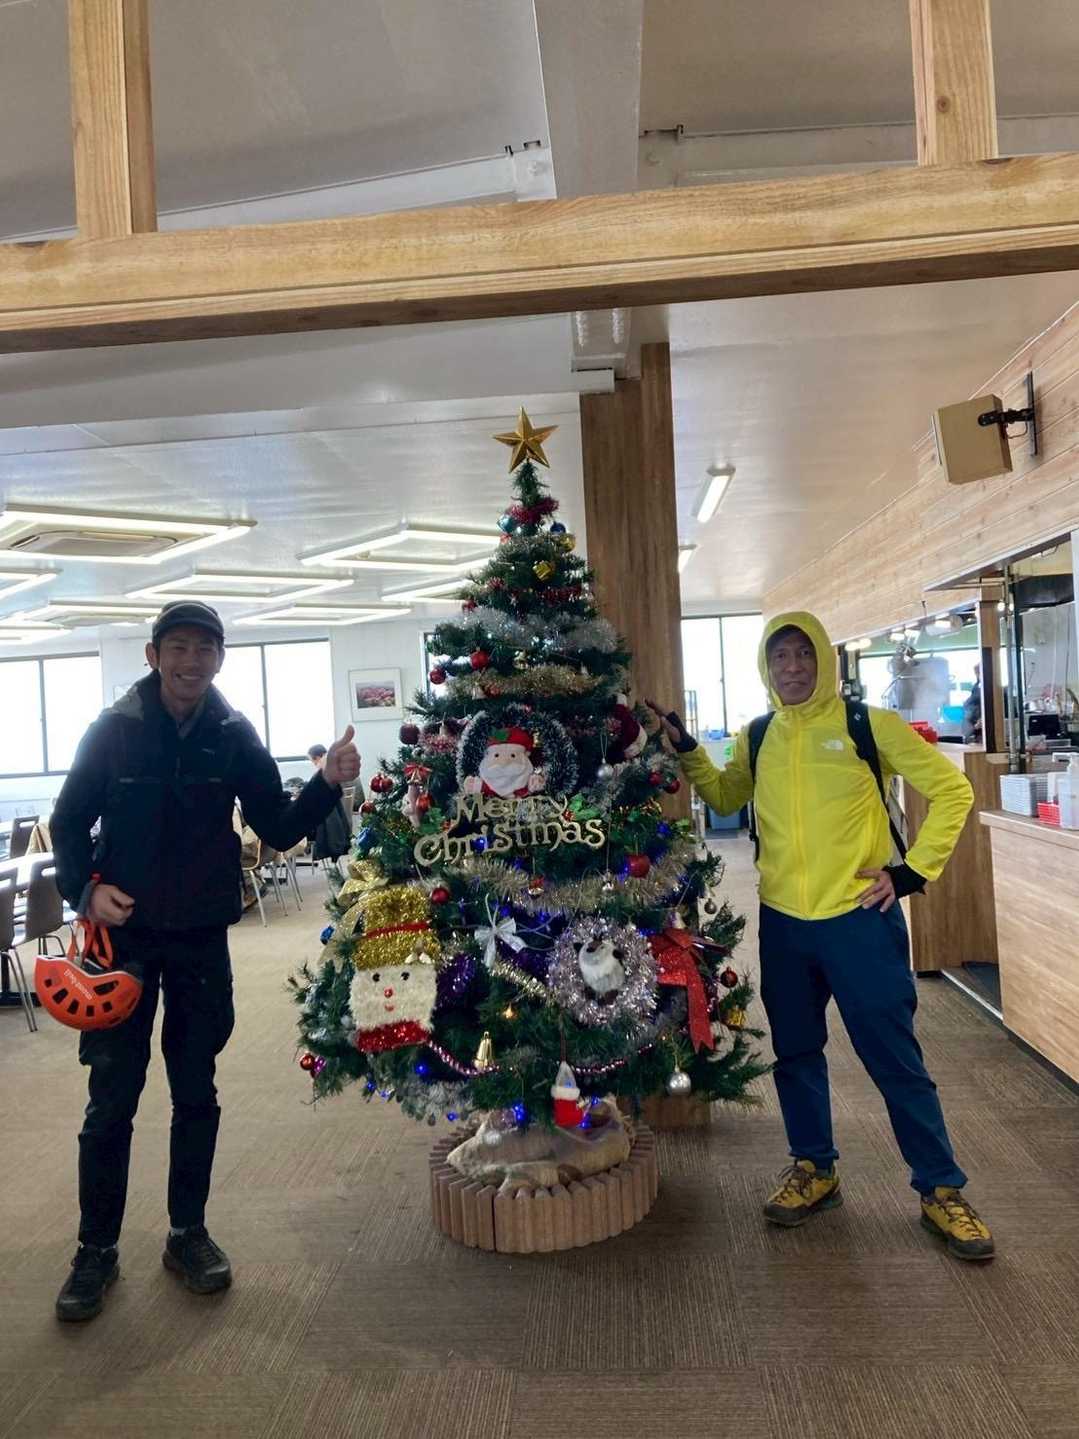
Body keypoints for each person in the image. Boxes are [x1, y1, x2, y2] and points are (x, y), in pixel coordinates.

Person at [648, 610, 994, 1261]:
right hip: (784, 923)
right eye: (780, 656)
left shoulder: (868, 725)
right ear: (766, 666)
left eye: (803, 654)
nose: (793, 667)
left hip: (858, 919)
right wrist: (688, 747)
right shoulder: (759, 734)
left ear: (823, 661)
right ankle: (814, 1167)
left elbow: (953, 790)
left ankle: (941, 1187)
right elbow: (724, 793)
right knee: (797, 1053)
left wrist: (911, 872)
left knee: (894, 1058)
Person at [49, 600, 361, 1321]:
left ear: (219, 659)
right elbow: (67, 823)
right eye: (179, 648)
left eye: (205, 649)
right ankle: (95, 1249)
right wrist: (85, 890)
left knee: (196, 1091)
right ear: (154, 655)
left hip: (198, 939)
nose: (191, 662)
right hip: (122, 942)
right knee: (111, 1098)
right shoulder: (113, 729)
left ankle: (187, 1233)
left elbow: (276, 824)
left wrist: (326, 782)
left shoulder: (231, 733)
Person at [307, 743, 354, 861]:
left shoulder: (326, 772)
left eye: (313, 761)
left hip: (331, 825)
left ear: (319, 757)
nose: (314, 764)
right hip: (342, 824)